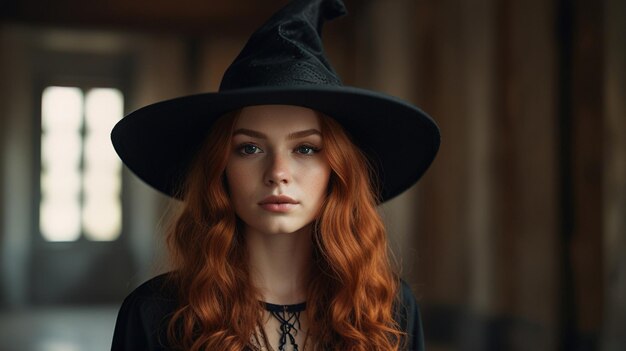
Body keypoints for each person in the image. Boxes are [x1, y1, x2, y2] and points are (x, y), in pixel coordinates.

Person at [110, 0, 439, 350]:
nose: (278, 173)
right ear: (219, 168)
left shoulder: (388, 309)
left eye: (306, 149)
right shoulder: (157, 313)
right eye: (250, 148)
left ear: (338, 170)